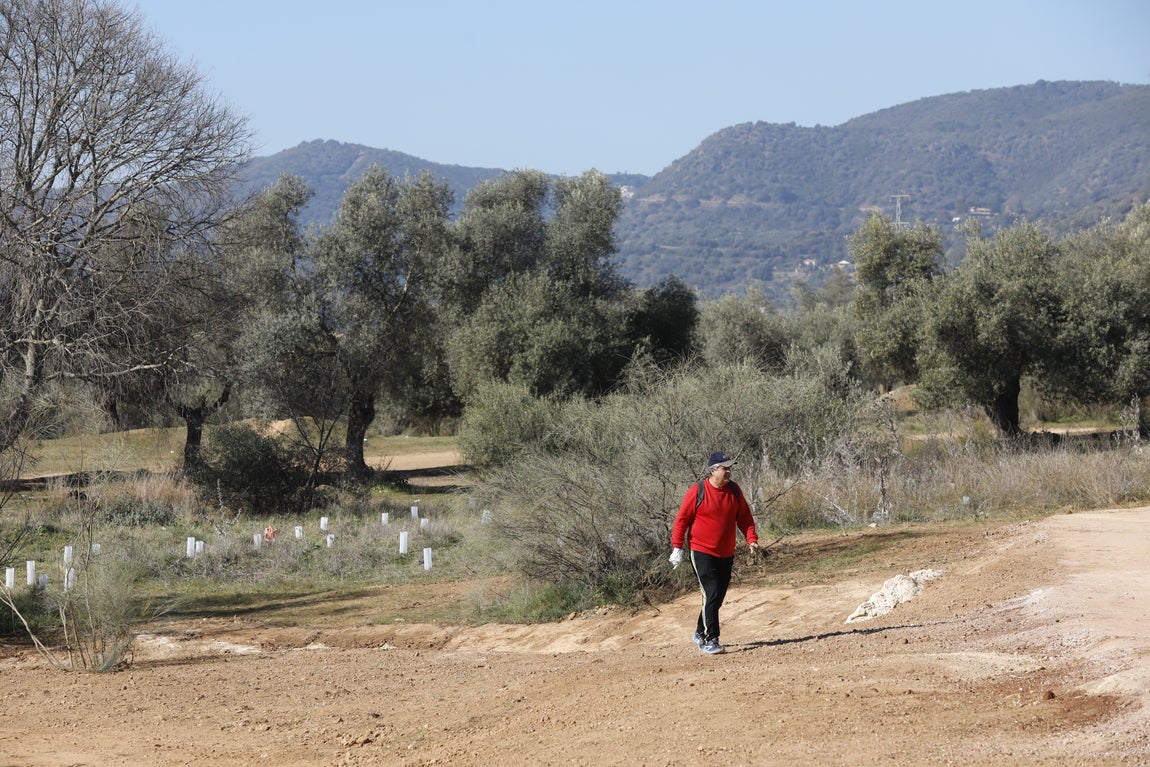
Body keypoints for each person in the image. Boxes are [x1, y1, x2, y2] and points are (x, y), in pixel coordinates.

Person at [669, 451, 759, 654]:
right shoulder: (697, 491)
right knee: (710, 591)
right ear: (712, 471)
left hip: (726, 552)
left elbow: (744, 517)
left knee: (717, 597)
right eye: (724, 468)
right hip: (701, 550)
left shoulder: (734, 491)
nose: (728, 471)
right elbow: (681, 520)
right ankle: (711, 639)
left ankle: (700, 631)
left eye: (730, 468)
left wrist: (751, 539)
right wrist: (677, 547)